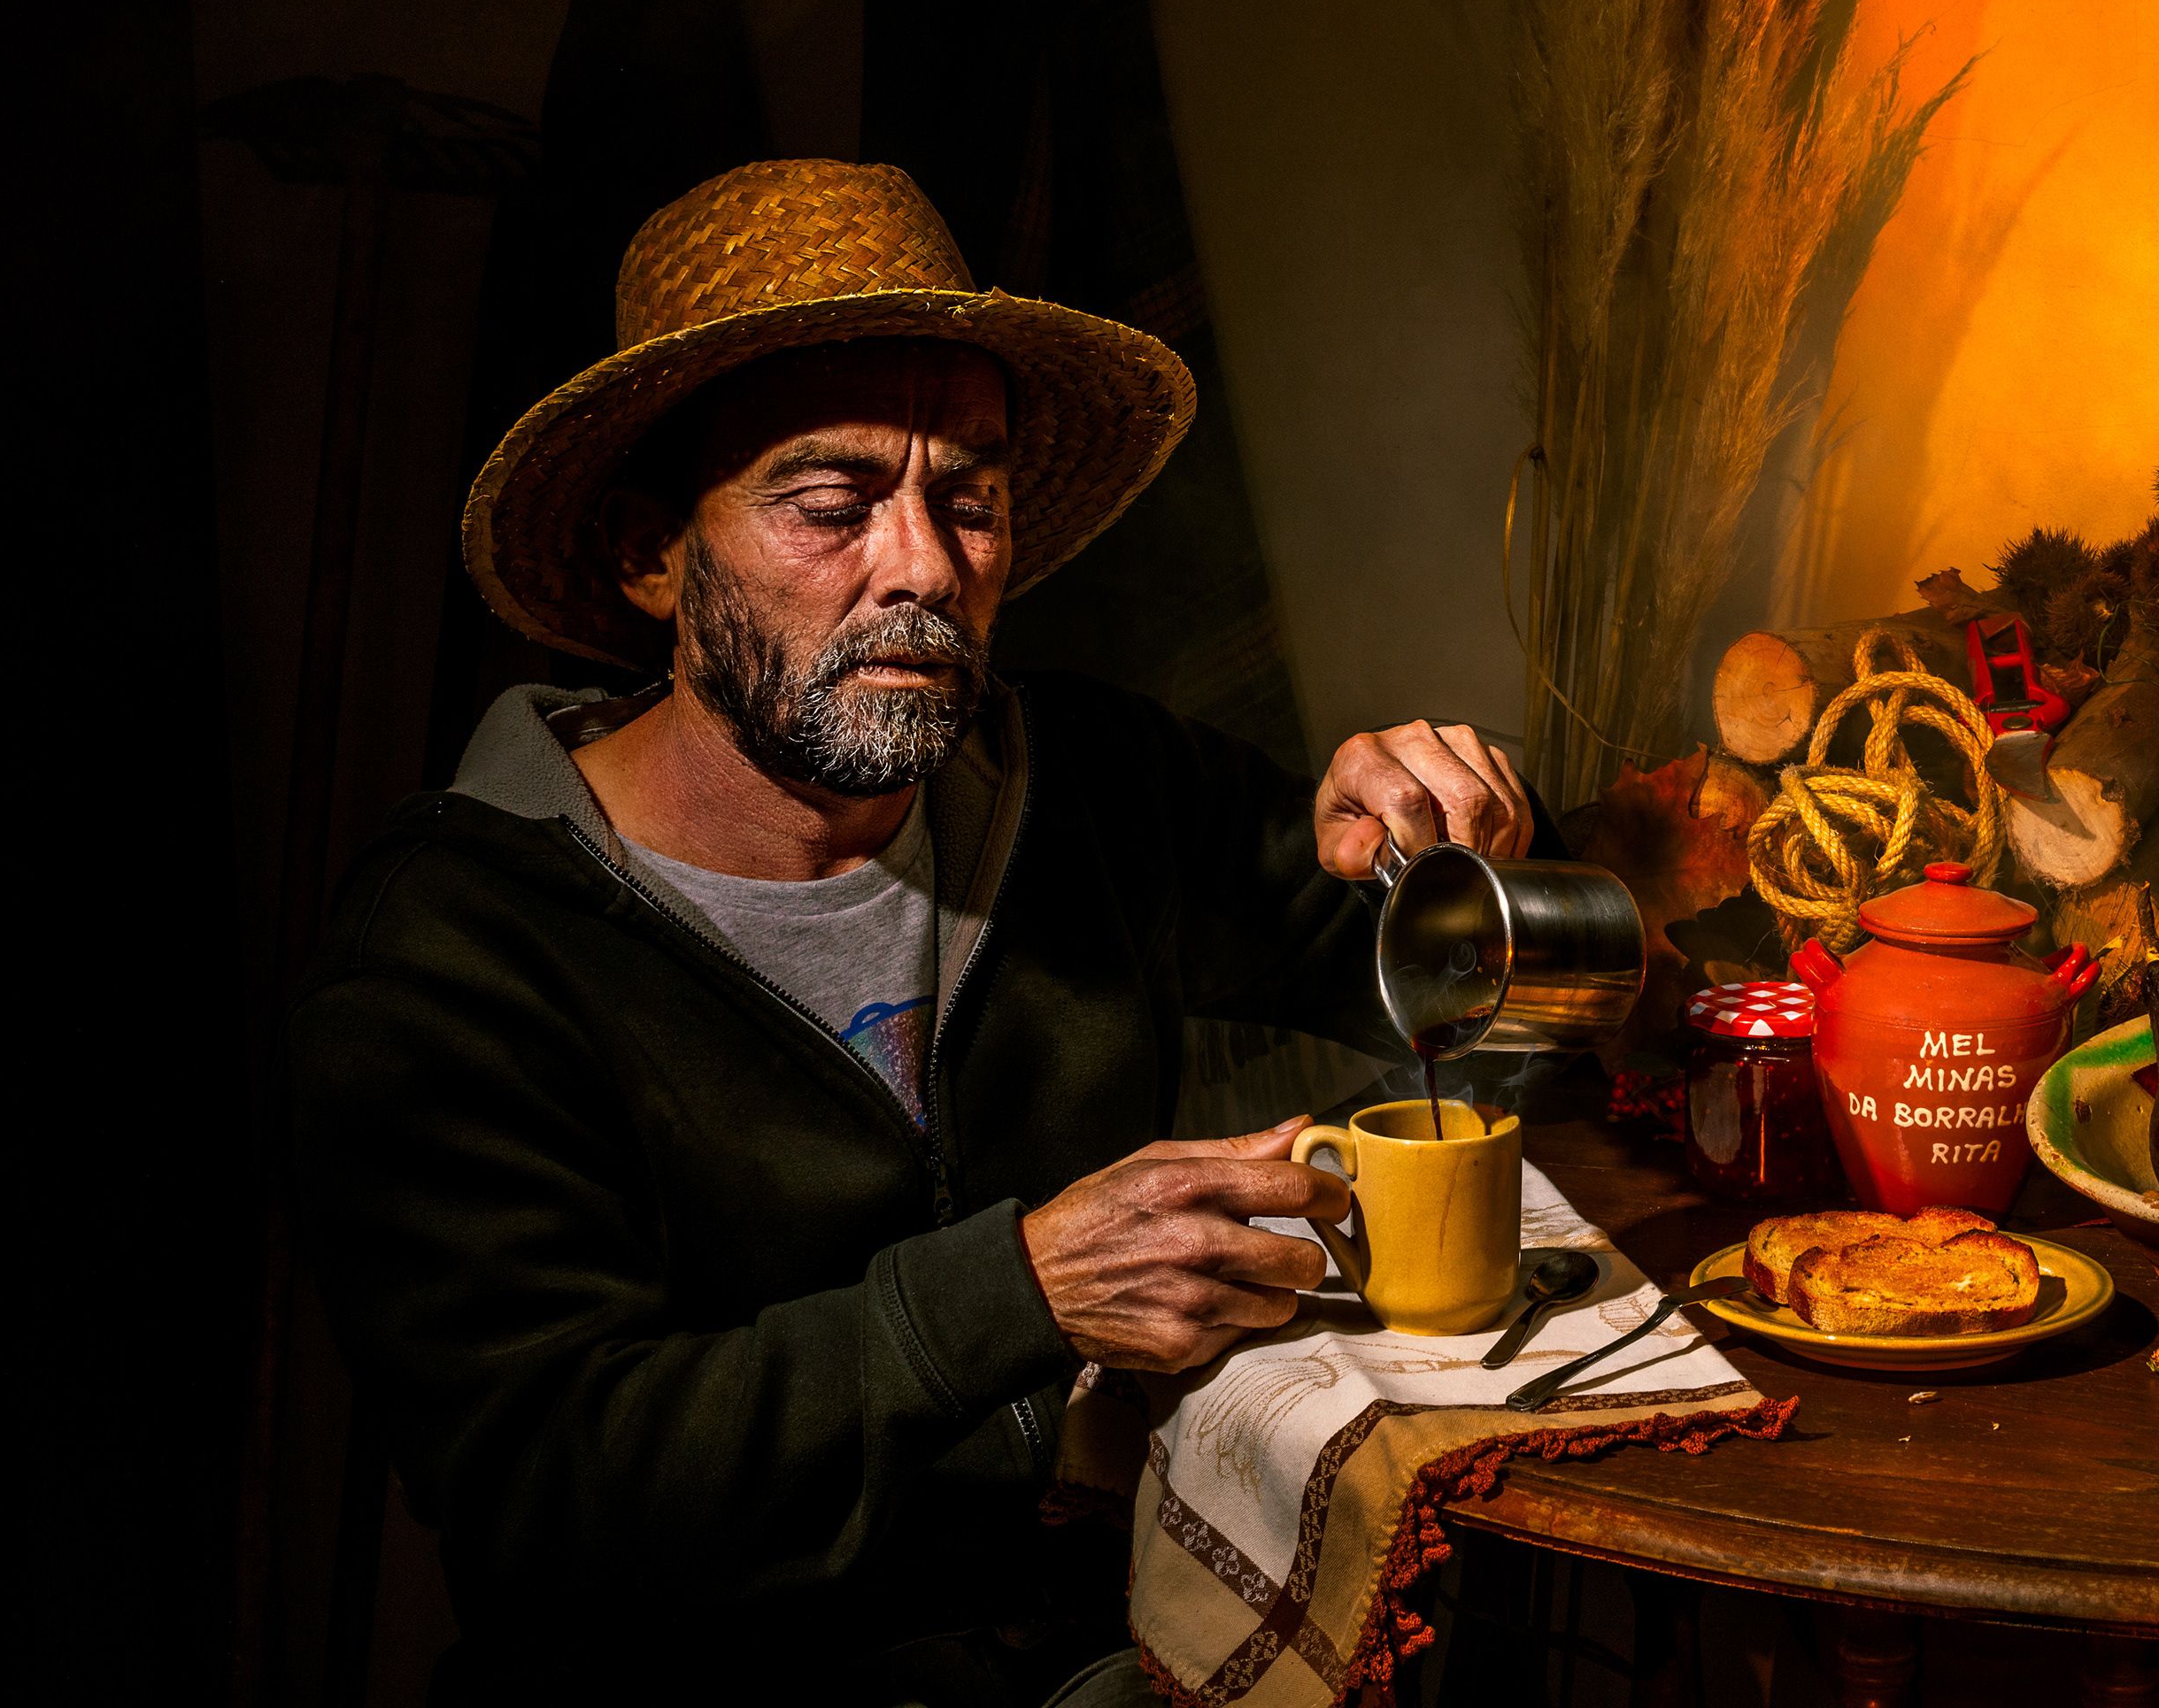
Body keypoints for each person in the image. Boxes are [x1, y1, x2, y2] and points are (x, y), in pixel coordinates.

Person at [289, 161, 1540, 1705]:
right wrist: (1015, 1295)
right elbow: (550, 1493)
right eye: (831, 507)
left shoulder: (1090, 785)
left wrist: (1454, 850)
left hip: (1113, 1656)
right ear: (650, 554)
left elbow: (1506, 1004)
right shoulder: (452, 956)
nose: (927, 567)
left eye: (970, 501)